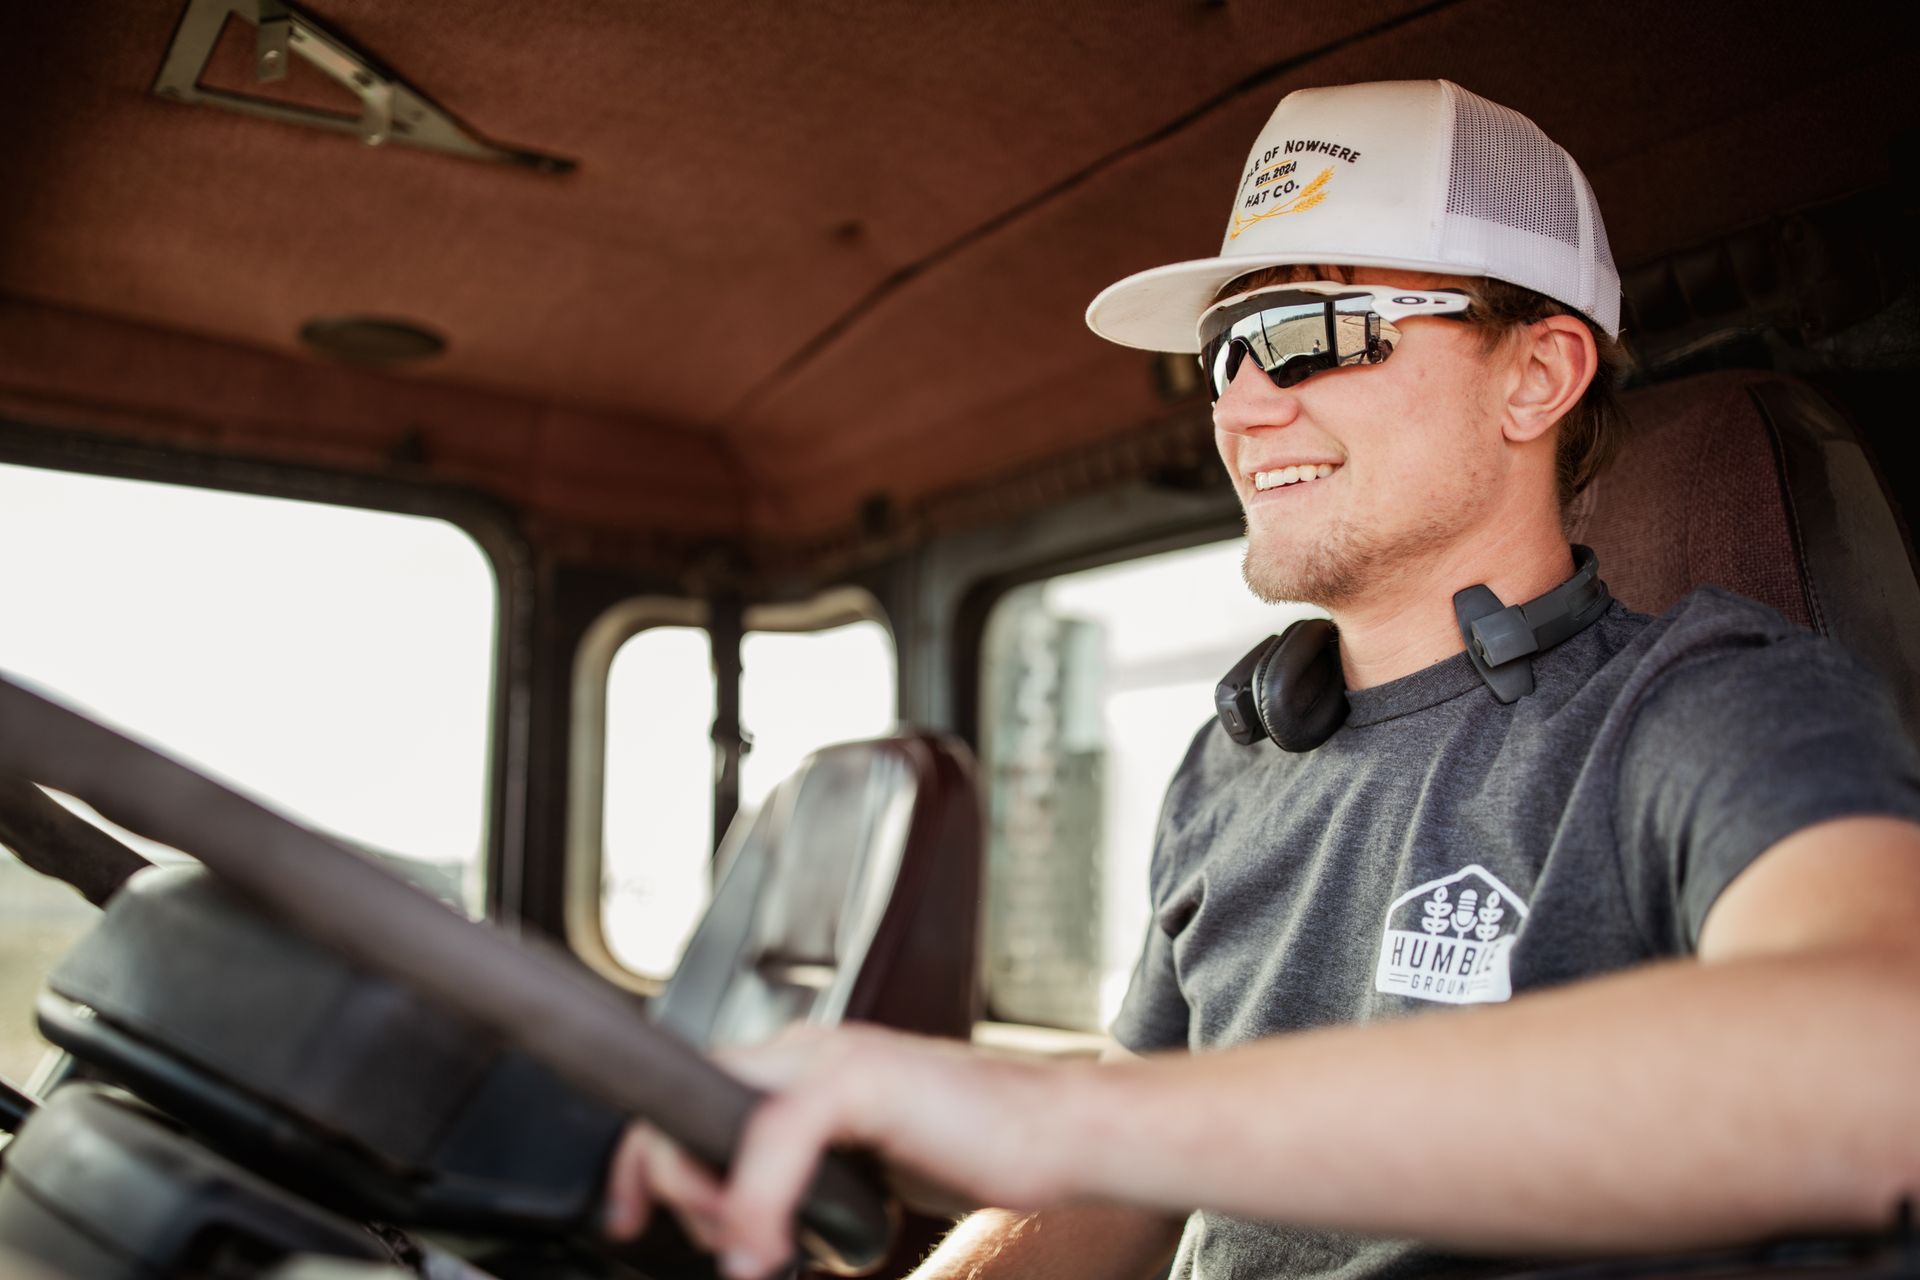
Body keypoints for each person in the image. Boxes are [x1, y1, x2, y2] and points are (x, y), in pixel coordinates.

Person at [604, 79, 1920, 1280]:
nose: (1239, 406)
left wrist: (1039, 1110)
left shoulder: (1714, 707)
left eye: (1311, 331)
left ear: (1538, 373)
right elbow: (1113, 1201)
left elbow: (1878, 1061)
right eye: (1227, 348)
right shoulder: (1237, 760)